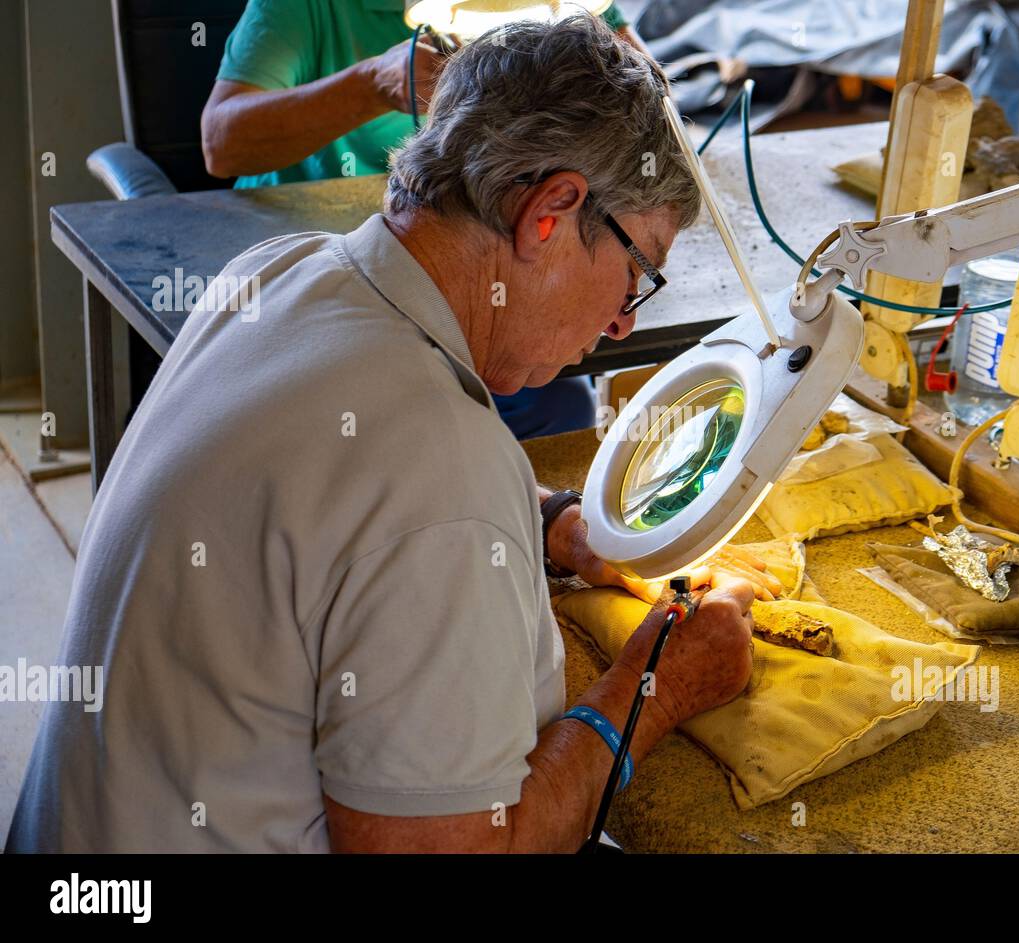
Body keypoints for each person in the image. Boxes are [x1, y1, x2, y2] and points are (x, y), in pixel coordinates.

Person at [6, 15, 754, 854]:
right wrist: (652, 685)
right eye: (637, 270)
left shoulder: (280, 272)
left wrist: (552, 521)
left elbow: (338, 500)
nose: (622, 322)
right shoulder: (437, 477)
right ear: (550, 211)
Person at [201, 0, 650, 440]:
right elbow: (221, 144)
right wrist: (372, 83)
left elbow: (647, 100)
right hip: (317, 275)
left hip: (469, 271)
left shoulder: (554, 4)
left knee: (560, 405)